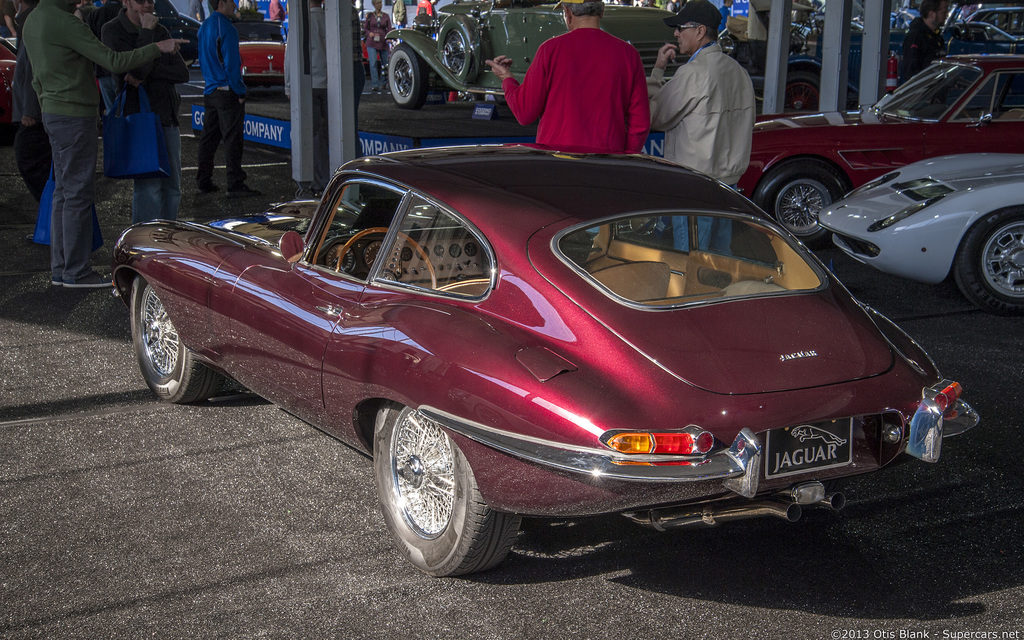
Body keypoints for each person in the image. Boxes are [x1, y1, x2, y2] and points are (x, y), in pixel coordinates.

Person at [22, 0, 184, 288]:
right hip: (74, 114)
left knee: (63, 191)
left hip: (53, 112)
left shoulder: (35, 19)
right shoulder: (66, 22)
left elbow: (35, 77)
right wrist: (157, 47)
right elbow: (113, 61)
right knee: (77, 194)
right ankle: (75, 271)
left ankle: (62, 269)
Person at [647, 0, 754, 251]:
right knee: (720, 259)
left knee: (691, 260)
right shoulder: (739, 72)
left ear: (700, 31)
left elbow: (655, 116)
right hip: (728, 186)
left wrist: (657, 72)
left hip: (695, 186)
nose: (675, 34)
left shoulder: (694, 73)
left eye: (680, 27)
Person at [483, 0, 649, 154]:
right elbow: (640, 125)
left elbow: (524, 112)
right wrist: (626, 159)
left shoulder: (550, 50)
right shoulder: (629, 55)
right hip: (607, 165)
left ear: (568, 13)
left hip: (557, 163)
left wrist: (506, 78)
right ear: (602, 11)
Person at [103, 0, 190, 223]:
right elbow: (133, 69)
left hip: (167, 115)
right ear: (126, 2)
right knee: (149, 187)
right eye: (141, 1)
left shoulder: (160, 28)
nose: (147, 6)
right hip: (140, 118)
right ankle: (144, 245)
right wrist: (146, 34)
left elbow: (181, 73)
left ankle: (168, 238)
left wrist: (144, 74)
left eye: (150, 1)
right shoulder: (113, 29)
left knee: (173, 186)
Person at [196, 0, 261, 196]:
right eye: (232, 1)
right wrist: (240, 92)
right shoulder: (227, 29)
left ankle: (203, 179)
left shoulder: (205, 26)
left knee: (209, 138)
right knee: (233, 139)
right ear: (221, 3)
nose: (235, 5)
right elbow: (232, 66)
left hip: (210, 91)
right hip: (227, 92)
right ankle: (235, 184)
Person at [284, 0, 330, 192]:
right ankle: (331, 179)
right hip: (329, 86)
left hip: (307, 86)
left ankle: (316, 181)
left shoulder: (301, 23)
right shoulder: (329, 21)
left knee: (311, 135)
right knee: (328, 136)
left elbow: (290, 56)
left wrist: (288, 86)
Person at [12, 0, 52, 203]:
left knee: (31, 159)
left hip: (37, 111)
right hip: (43, 107)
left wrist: (29, 109)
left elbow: (29, 66)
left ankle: (52, 224)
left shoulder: (32, 19)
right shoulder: (34, 18)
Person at [87, 0, 125, 111]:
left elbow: (91, 43)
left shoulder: (95, 14)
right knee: (126, 109)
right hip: (124, 69)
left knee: (110, 110)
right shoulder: (125, 13)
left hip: (102, 69)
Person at [900, 0, 948, 84]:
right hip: (923, 94)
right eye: (943, 12)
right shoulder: (915, 37)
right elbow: (911, 74)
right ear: (931, 14)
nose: (946, 16)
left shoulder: (938, 37)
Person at [364, 0, 390, 93]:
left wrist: (389, 38)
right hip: (372, 42)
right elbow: (365, 27)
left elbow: (389, 28)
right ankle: (375, 84)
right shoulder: (370, 16)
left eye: (380, 3)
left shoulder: (386, 16)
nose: (380, 5)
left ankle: (384, 82)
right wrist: (369, 33)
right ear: (374, 5)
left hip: (383, 42)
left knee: (385, 64)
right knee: (373, 64)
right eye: (378, 3)